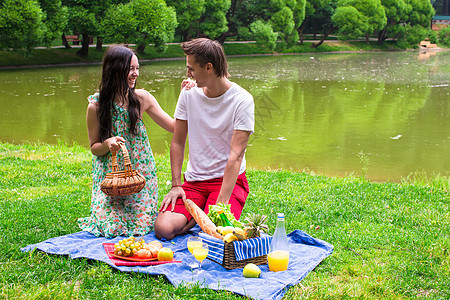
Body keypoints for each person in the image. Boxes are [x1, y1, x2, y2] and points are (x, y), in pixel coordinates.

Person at [154, 38, 255, 240]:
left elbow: (235, 157)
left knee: (213, 235)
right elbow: (178, 141)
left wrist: (221, 205)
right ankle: (195, 218)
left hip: (226, 182)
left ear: (208, 67)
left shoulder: (242, 100)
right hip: (194, 182)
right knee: (163, 229)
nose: (188, 74)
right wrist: (176, 185)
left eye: (191, 69)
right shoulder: (188, 94)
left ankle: (199, 219)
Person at [78, 45, 174, 238]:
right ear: (114, 69)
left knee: (142, 226)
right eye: (130, 69)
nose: (135, 74)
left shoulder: (142, 98)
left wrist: (189, 95)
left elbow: (174, 127)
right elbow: (94, 148)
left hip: (139, 180)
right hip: (111, 183)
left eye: (137, 68)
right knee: (112, 227)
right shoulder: (96, 106)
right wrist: (107, 144)